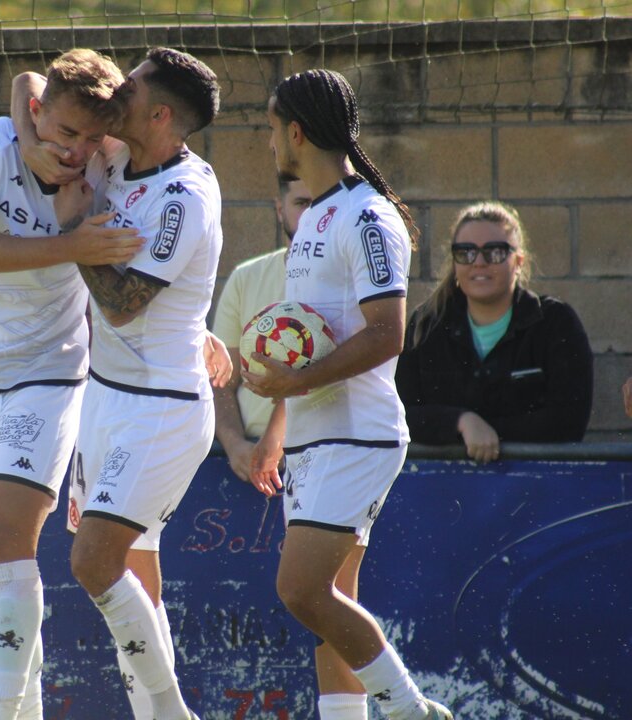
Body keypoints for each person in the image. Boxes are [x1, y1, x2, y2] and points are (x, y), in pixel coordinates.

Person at [14, 47, 221, 720]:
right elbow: (25, 85)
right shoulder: (111, 153)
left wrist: (73, 229)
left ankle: (170, 711)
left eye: (127, 89)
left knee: (94, 563)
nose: (113, 94)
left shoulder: (184, 195)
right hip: (103, 397)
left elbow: (125, 302)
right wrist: (29, 143)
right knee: (136, 572)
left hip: (160, 408)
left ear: (159, 114)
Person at [0, 49, 144, 720]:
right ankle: (22, 711)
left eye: (91, 138)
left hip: (50, 370)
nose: (79, 150)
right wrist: (70, 243)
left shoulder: (111, 161)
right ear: (34, 115)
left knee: (4, 532)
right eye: (64, 134)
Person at [243, 70, 453, 720]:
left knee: (302, 591)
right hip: (313, 438)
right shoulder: (316, 217)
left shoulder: (365, 216)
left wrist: (291, 384)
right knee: (332, 600)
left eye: (272, 125)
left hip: (356, 436)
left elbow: (385, 334)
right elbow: (307, 339)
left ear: (296, 132)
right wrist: (278, 423)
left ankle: (408, 710)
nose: (268, 138)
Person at [395, 201, 593, 463]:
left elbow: (568, 421)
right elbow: (398, 414)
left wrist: (490, 434)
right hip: (442, 491)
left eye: (495, 252)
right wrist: (460, 422)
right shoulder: (426, 325)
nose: (478, 262)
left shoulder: (555, 324)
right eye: (465, 252)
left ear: (518, 261)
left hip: (537, 488)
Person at [212, 173, 311, 482]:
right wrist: (234, 444)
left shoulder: (344, 282)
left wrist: (276, 439)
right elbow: (220, 382)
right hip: (246, 462)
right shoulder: (246, 278)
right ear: (279, 208)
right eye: (301, 203)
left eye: (319, 204)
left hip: (317, 454)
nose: (311, 214)